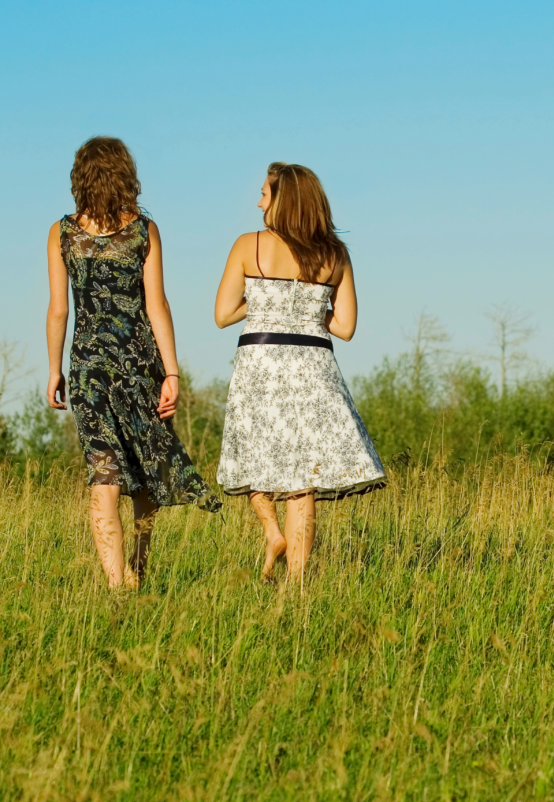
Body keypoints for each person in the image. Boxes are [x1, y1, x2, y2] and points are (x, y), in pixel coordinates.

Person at [46, 137, 220, 589]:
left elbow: (59, 310)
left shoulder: (62, 233)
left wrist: (54, 369)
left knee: (103, 473)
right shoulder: (143, 231)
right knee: (147, 468)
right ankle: (137, 569)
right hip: (139, 365)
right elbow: (157, 303)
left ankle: (116, 582)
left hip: (88, 368)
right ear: (125, 174)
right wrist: (172, 371)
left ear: (80, 178)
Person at [214, 162, 385, 580]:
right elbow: (345, 327)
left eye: (264, 194)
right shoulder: (335, 254)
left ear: (283, 200)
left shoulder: (247, 245)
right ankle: (297, 587)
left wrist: (265, 303)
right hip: (314, 369)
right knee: (302, 481)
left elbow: (222, 315)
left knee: (254, 457)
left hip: (260, 365)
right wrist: (307, 312)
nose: (258, 202)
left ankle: (272, 532)